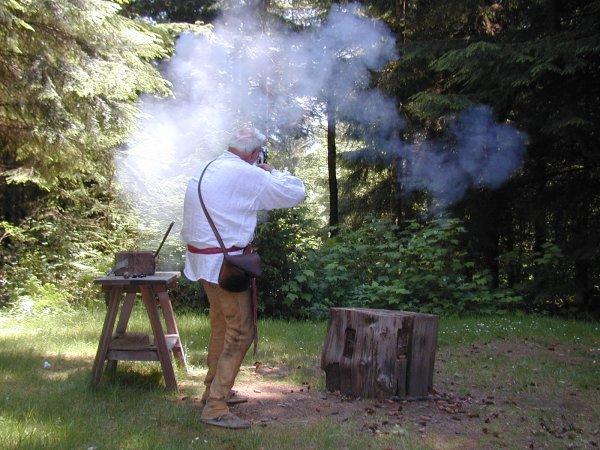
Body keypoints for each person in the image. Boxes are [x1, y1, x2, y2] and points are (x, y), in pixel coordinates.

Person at [181, 127, 306, 429]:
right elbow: (296, 192)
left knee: (222, 326)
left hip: (204, 262)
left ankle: (213, 389)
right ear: (253, 154)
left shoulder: (208, 166)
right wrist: (271, 170)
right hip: (225, 266)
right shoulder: (248, 174)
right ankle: (216, 405)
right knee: (240, 333)